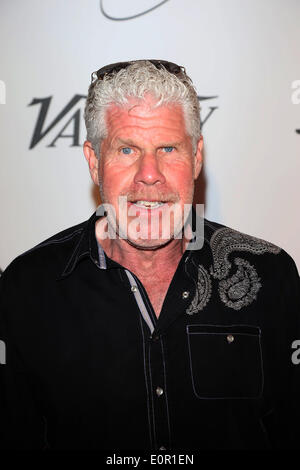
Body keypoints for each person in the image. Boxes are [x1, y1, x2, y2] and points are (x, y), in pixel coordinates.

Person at [0, 60, 299, 451]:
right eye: (127, 149)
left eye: (168, 148)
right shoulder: (28, 288)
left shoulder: (270, 276)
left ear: (196, 157)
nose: (149, 173)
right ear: (94, 162)